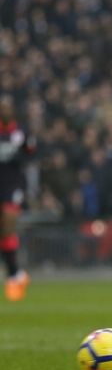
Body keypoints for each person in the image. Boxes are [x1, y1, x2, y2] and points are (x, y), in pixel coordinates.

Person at [1, 95, 36, 302]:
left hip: (12, 183)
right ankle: (16, 273)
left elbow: (32, 153)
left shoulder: (20, 132)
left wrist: (23, 155)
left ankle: (13, 276)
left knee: (8, 222)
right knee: (4, 233)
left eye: (7, 107)